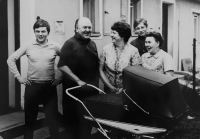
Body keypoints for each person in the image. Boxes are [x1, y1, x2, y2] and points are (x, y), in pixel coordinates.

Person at [7, 17, 62, 139]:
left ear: (48, 32)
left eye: (43, 31)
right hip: (32, 87)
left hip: (49, 87)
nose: (40, 34)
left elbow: (66, 61)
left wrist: (60, 77)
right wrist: (19, 78)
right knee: (30, 121)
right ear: (34, 32)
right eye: (37, 31)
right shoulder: (28, 46)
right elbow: (11, 59)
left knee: (53, 120)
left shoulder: (55, 46)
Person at [57, 17, 99, 139]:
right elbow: (61, 65)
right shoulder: (69, 44)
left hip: (90, 93)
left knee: (87, 123)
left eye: (89, 27)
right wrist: (77, 80)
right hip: (73, 93)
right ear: (76, 29)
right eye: (84, 27)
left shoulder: (92, 43)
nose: (87, 30)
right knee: (73, 126)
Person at [99, 21, 142, 94]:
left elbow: (136, 74)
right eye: (111, 32)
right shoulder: (105, 49)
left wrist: (124, 89)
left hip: (127, 91)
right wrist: (110, 87)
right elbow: (100, 70)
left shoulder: (133, 51)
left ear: (122, 35)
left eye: (114, 33)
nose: (111, 35)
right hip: (108, 90)